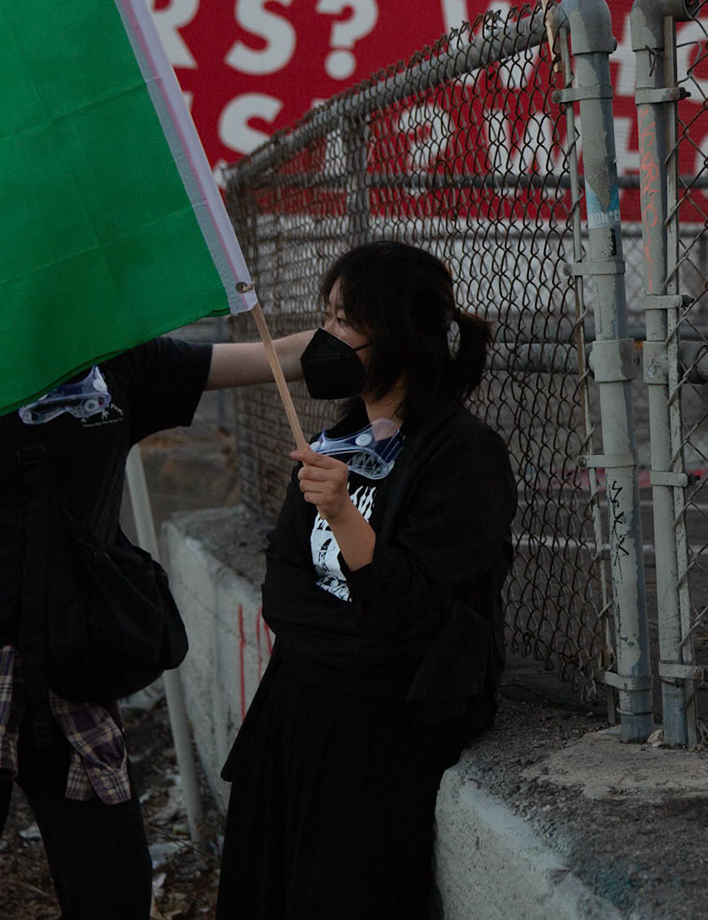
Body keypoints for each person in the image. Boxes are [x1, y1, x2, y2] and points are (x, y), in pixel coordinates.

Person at [0, 327, 316, 918]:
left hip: (71, 679)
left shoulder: (119, 361)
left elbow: (280, 358)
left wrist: (372, 321)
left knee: (113, 892)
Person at [216, 240, 516, 919]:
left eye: (345, 321)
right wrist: (338, 633)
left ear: (399, 335)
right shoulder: (337, 438)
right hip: (297, 710)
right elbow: (283, 589)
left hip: (385, 729)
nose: (326, 337)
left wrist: (345, 516)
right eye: (328, 315)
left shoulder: (464, 455)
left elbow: (416, 620)